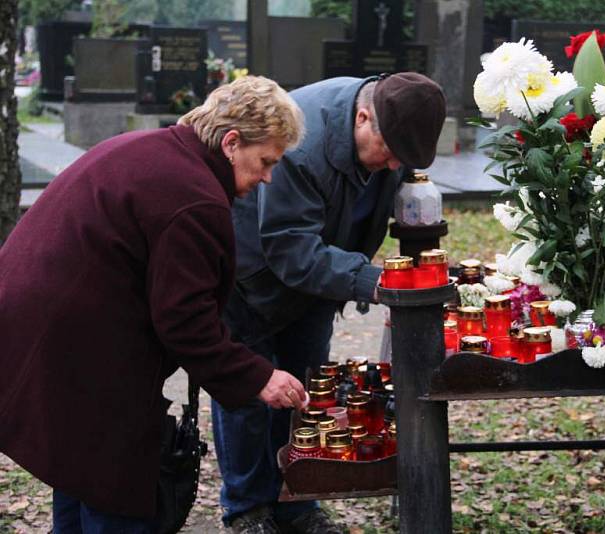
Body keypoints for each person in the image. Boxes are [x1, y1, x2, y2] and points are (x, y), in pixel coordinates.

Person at [0, 76, 308, 533]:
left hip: (38, 330)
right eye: (264, 161)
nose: (266, 178)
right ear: (230, 142)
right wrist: (258, 376)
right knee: (116, 492)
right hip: (77, 347)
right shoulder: (195, 198)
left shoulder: (152, 149)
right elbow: (184, 321)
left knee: (80, 474)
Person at [212, 72, 446, 533]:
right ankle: (246, 509)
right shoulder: (301, 145)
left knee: (306, 391)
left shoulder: (392, 123)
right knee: (249, 393)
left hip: (317, 280)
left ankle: (297, 502)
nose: (395, 163)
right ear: (363, 118)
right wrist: (373, 281)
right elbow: (288, 247)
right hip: (251, 277)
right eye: (392, 153)